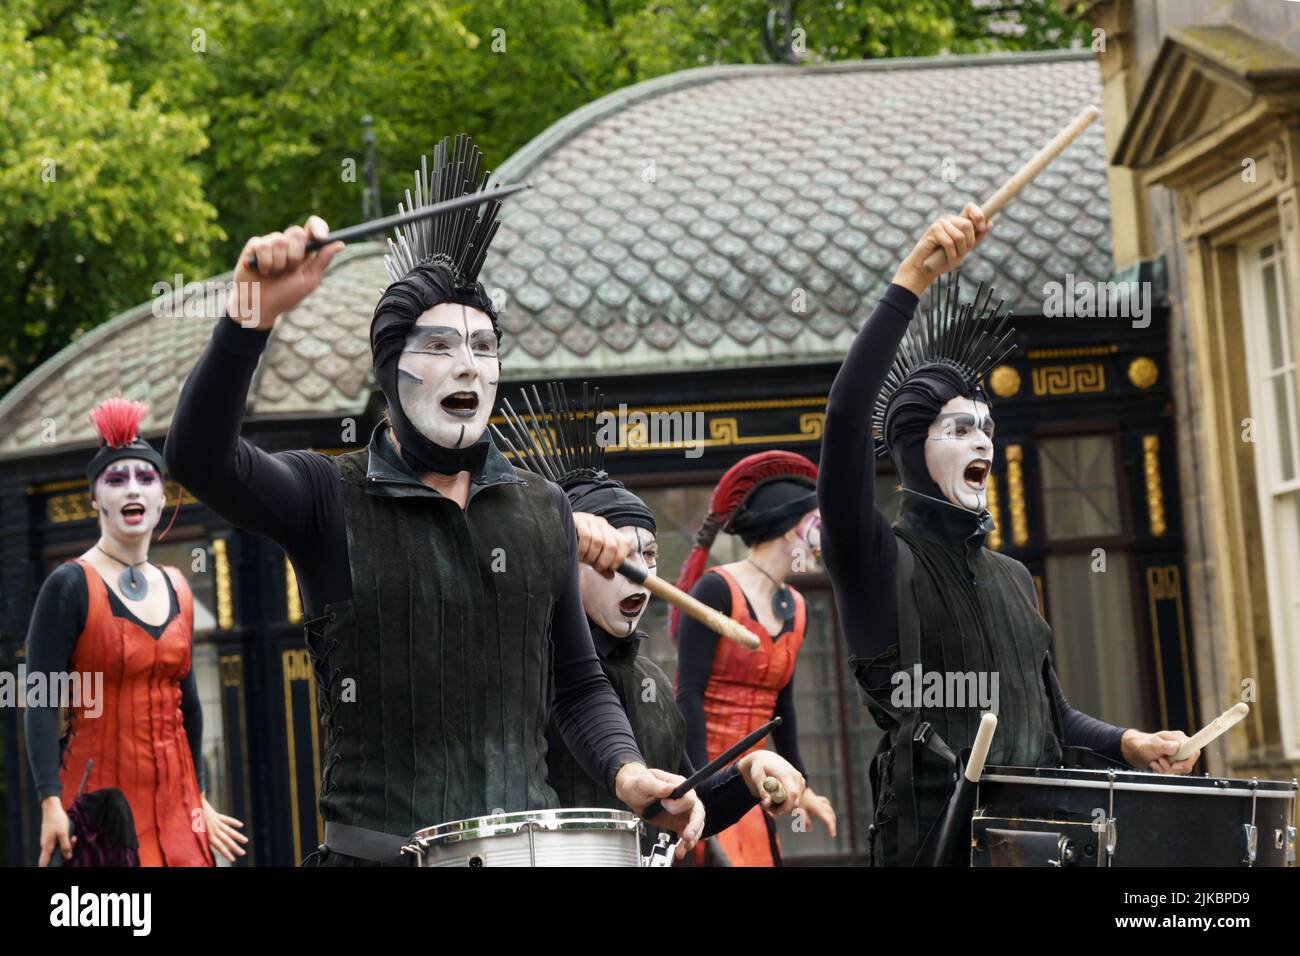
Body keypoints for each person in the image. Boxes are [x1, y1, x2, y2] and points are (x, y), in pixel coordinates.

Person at [164, 135, 702, 865]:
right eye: (441, 346)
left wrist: (627, 771)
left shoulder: (541, 508)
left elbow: (576, 686)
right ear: (390, 369)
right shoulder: (328, 497)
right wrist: (250, 314)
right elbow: (199, 456)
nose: (468, 367)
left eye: (484, 348)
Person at [816, 203, 1201, 867]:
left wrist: (1130, 743)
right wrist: (912, 277)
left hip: (1044, 846)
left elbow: (1048, 716)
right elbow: (847, 418)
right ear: (910, 446)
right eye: (960, 428)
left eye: (988, 427)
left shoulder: (1013, 578)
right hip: (933, 850)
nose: (982, 441)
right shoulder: (878, 561)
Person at [496, 385, 807, 861]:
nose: (638, 573)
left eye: (649, 555)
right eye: (617, 554)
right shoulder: (521, 671)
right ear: (568, 558)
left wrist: (747, 774)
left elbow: (682, 809)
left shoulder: (654, 684)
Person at [25, 397, 247, 867]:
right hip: (99, 811)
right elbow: (39, 698)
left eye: (146, 478)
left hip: (178, 805)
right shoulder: (69, 585)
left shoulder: (179, 588)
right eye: (116, 479)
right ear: (95, 498)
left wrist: (200, 799)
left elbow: (186, 702)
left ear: (162, 497)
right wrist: (49, 803)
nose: (133, 490)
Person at [673, 452, 837, 866]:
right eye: (817, 523)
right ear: (789, 529)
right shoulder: (717, 590)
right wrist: (701, 787)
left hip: (757, 777)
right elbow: (686, 694)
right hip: (711, 777)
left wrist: (803, 786)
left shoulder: (796, 607)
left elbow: (783, 705)